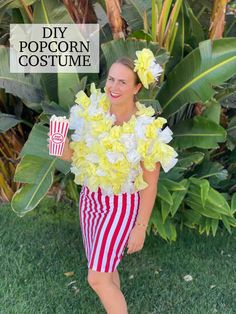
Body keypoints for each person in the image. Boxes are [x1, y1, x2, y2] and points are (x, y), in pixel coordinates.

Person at [48, 48, 178, 314]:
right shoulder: (93, 112)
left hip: (120, 205)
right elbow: (77, 157)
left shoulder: (146, 129)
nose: (113, 87)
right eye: (110, 79)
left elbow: (150, 184)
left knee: (96, 278)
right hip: (90, 200)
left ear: (136, 88)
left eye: (122, 82)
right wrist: (59, 145)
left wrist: (140, 226)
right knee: (106, 273)